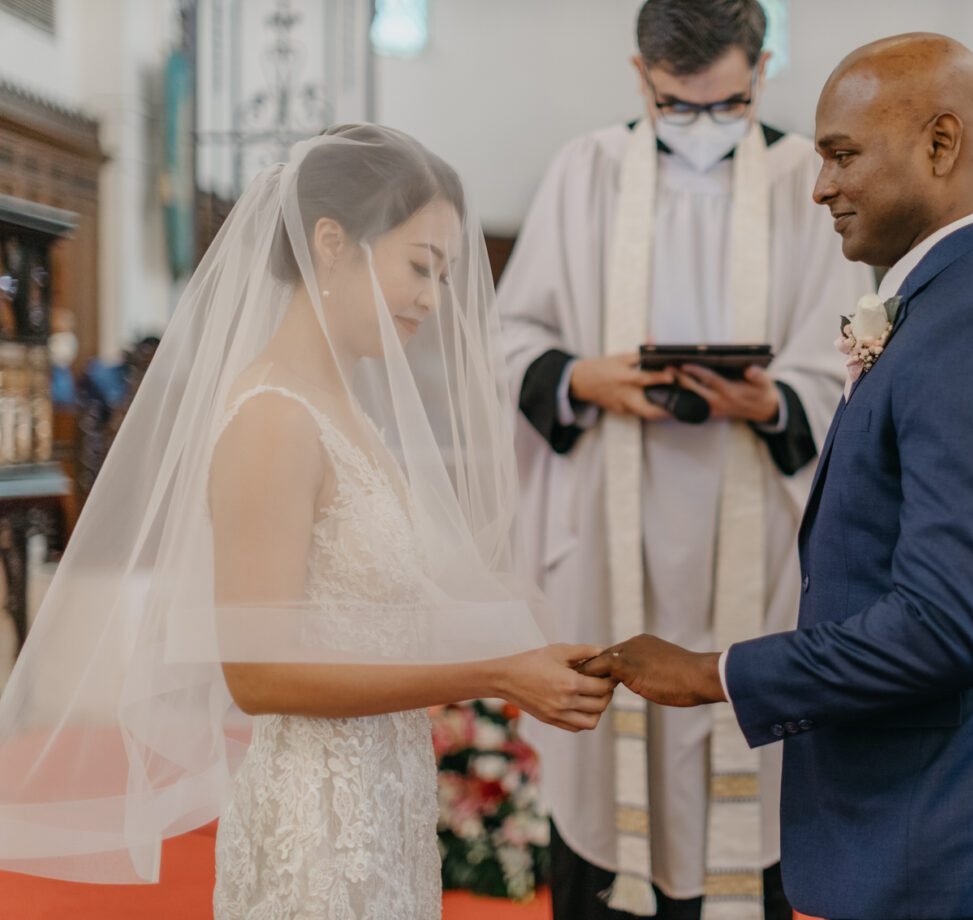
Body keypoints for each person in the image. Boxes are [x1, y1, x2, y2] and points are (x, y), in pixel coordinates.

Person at [0, 124, 613, 920]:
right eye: (421, 268)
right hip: (317, 830)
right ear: (332, 242)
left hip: (383, 802)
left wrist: (521, 649)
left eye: (445, 275)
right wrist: (493, 675)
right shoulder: (274, 421)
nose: (434, 299)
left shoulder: (350, 412)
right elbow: (258, 676)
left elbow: (371, 617)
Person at [582, 33, 973, 920]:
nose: (820, 185)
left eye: (841, 155)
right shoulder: (953, 302)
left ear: (940, 146)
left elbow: (944, 626)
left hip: (959, 833)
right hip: (940, 817)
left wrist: (714, 673)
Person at [498, 1, 872, 917]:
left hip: (755, 543)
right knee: (607, 778)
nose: (702, 128)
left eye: (725, 105)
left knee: (754, 762)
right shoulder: (586, 172)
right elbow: (509, 337)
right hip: (609, 532)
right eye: (678, 107)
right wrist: (584, 377)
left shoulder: (805, 179)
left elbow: (845, 362)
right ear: (640, 78)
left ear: (763, 69)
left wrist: (774, 397)